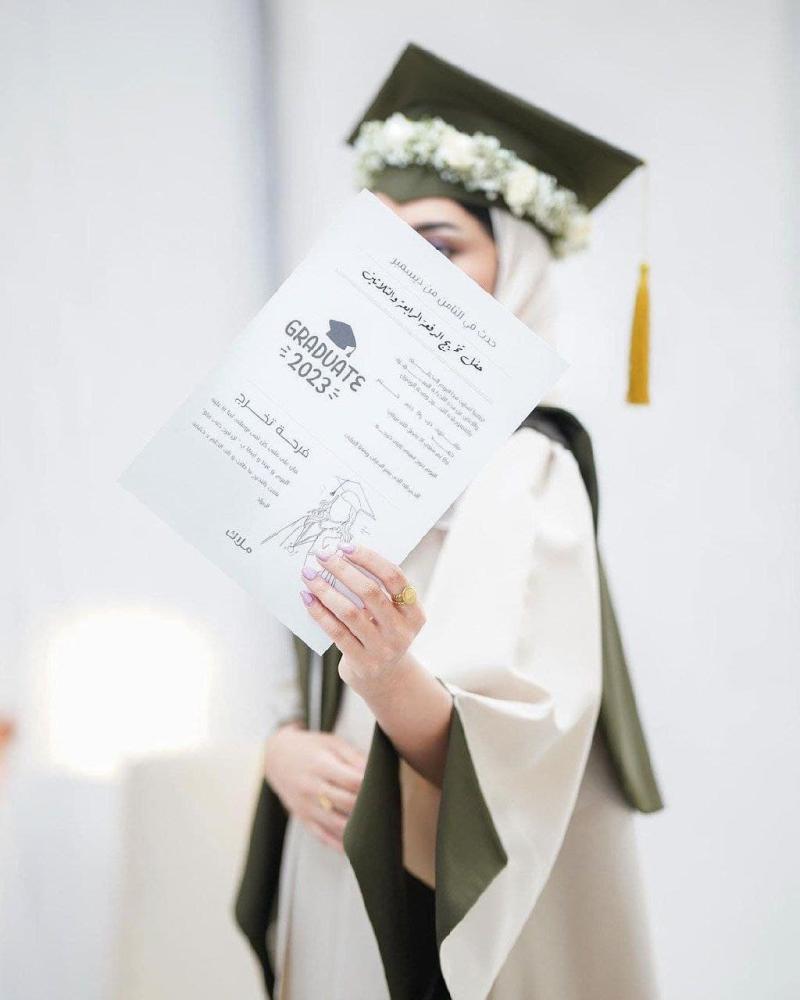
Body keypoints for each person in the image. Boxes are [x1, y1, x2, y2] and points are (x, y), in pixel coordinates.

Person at [236, 43, 663, 1000]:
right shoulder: (335, 442)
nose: (407, 278)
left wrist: (385, 667)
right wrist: (280, 748)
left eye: (439, 246)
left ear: (517, 267)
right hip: (332, 837)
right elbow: (293, 679)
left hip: (435, 868)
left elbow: (507, 750)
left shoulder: (525, 462)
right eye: (381, 251)